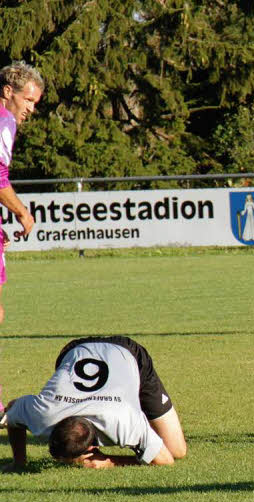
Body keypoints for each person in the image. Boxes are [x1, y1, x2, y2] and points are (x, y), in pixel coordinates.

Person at [1, 336, 188, 469]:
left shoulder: (124, 421)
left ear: (91, 448)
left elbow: (166, 460)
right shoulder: (44, 413)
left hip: (128, 354)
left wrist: (109, 461)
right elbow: (13, 411)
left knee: (176, 450)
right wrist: (19, 463)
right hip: (75, 351)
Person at [0, 61, 44, 325]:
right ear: (8, 92)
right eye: (27, 99)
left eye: (35, 102)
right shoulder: (4, 121)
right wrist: (22, 212)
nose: (31, 108)